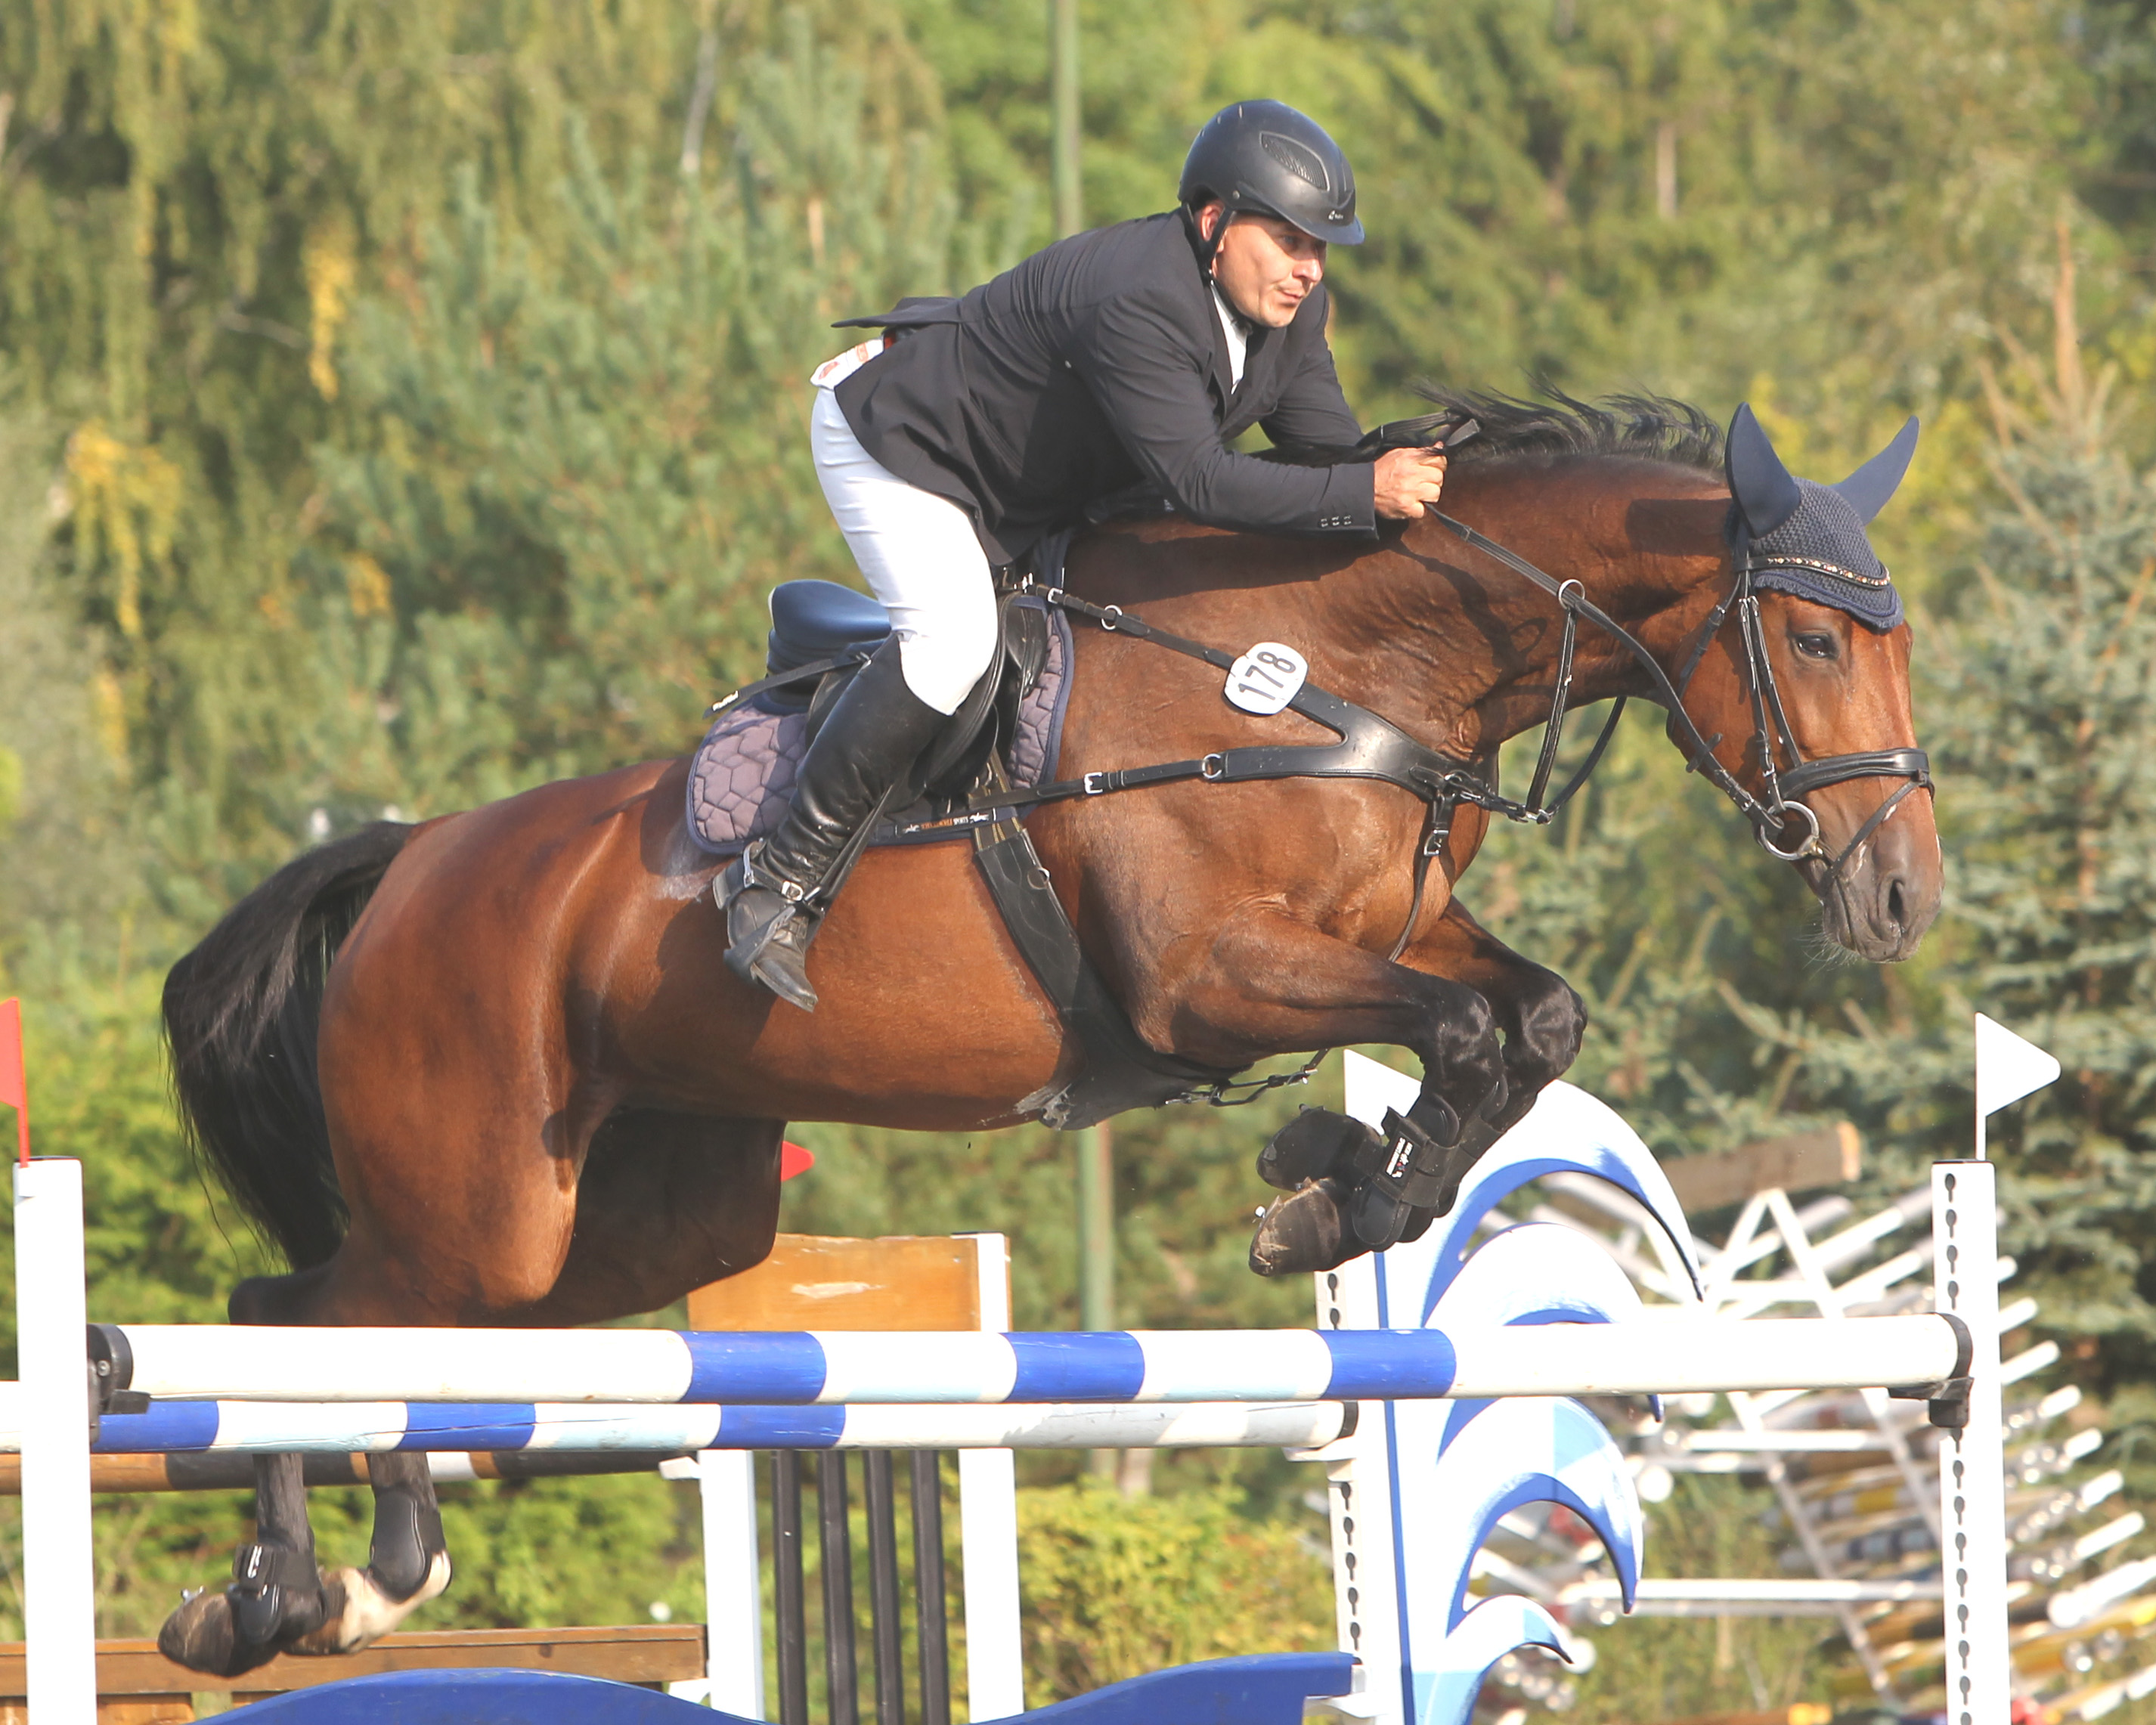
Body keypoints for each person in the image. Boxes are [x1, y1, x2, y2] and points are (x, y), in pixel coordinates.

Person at [721, 98, 1451, 1011]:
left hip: (1035, 484)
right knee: (953, 644)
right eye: (1288, 238)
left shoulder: (1290, 315)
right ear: (1213, 220)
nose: (1307, 268)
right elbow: (1201, 482)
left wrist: (1440, 484)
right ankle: (774, 883)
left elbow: (1323, 456)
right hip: (907, 447)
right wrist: (1361, 491)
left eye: (1322, 247)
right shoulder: (1140, 298)